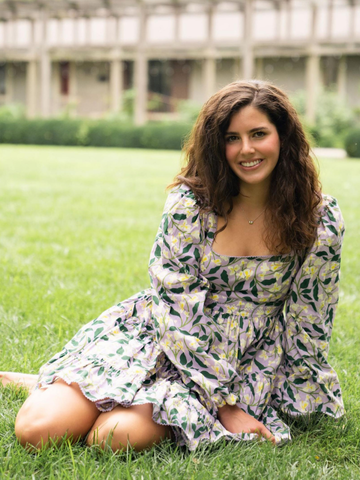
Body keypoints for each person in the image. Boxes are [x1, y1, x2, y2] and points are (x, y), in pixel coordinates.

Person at [1, 80, 345, 453]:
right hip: (163, 333)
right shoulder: (190, 204)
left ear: (283, 137)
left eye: (259, 134)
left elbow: (308, 319)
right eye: (232, 138)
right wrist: (223, 407)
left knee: (111, 438)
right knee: (37, 430)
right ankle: (80, 384)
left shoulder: (319, 218)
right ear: (217, 145)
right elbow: (174, 307)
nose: (247, 149)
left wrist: (297, 395)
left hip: (244, 360)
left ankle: (94, 395)